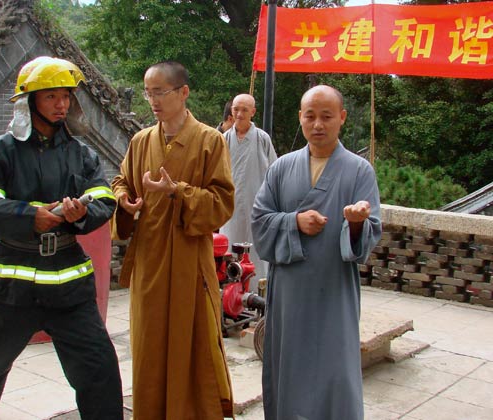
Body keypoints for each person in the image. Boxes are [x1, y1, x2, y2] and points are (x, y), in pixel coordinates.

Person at [0, 57, 123, 420]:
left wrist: (83, 213)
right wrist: (30, 216)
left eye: (65, 96)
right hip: (11, 284)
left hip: (69, 284)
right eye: (51, 96)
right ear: (28, 100)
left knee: (98, 365)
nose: (62, 104)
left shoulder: (81, 154)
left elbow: (105, 197)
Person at [111, 61, 235, 420]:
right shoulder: (140, 141)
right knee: (149, 348)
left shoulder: (210, 140)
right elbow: (120, 181)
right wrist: (124, 200)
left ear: (183, 92)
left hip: (188, 262)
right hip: (149, 263)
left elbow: (223, 202)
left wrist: (177, 192)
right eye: (148, 92)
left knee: (191, 346)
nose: (153, 100)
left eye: (160, 92)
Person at [251, 85, 382, 420]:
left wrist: (355, 224)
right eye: (310, 116)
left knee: (334, 368)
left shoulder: (359, 171)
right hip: (291, 291)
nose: (318, 124)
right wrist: (294, 221)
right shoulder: (281, 168)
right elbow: (260, 219)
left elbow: (371, 231)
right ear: (300, 118)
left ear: (342, 118)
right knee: (290, 364)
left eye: (326, 116)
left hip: (334, 289)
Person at [220, 93, 277, 285]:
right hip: (231, 207)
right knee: (229, 249)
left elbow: (273, 173)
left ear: (253, 112)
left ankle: (258, 291)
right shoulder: (224, 139)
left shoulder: (262, 138)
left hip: (257, 205)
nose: (239, 114)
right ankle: (229, 294)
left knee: (257, 251)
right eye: (236, 109)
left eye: (245, 110)